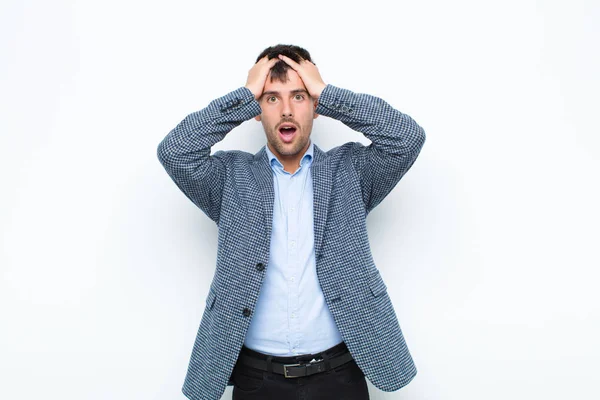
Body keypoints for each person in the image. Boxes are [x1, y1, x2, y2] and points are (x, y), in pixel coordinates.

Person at [157, 44, 426, 400]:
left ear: (314, 105)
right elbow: (175, 151)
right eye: (271, 98)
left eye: (299, 96)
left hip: (340, 376)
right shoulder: (229, 177)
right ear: (256, 109)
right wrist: (244, 95)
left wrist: (327, 93)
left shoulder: (351, 171)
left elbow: (407, 138)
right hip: (258, 381)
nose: (286, 110)